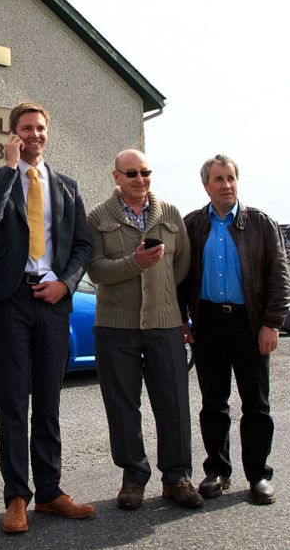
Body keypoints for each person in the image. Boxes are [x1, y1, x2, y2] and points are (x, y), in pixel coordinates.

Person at [0, 101, 94, 533]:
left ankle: (51, 492)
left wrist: (66, 283)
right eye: (26, 129)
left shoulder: (67, 187)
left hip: (53, 300)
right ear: (13, 134)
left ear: (48, 131)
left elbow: (83, 247)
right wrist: (8, 169)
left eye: (40, 128)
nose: (34, 135)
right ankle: (16, 497)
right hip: (11, 300)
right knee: (11, 400)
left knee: (48, 400)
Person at [87, 149, 204, 511]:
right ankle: (134, 477)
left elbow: (180, 266)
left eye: (146, 172)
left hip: (164, 324)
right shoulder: (97, 218)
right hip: (114, 325)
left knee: (173, 402)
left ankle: (177, 477)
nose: (140, 179)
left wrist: (170, 305)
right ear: (116, 176)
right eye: (132, 173)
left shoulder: (169, 214)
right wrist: (134, 262)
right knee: (122, 406)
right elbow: (96, 270)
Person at [180, 154, 290, 505]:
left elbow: (279, 277)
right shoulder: (193, 224)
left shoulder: (260, 223)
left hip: (250, 323)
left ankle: (258, 474)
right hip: (209, 322)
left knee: (256, 404)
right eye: (218, 179)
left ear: (236, 182)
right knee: (214, 403)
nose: (226, 185)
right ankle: (218, 471)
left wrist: (271, 323)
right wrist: (184, 319)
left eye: (230, 178)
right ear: (206, 185)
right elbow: (181, 276)